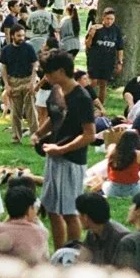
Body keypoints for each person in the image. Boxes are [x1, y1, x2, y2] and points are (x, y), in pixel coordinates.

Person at [40, 51, 96, 248]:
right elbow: (55, 115)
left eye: (48, 72)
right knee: (52, 210)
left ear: (62, 71)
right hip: (53, 155)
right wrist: (38, 133)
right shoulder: (57, 90)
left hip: (71, 160)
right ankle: (59, 254)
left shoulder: (81, 97)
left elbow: (89, 134)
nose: (45, 76)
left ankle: (72, 254)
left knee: (69, 212)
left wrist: (62, 149)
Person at [0, 24, 39, 144]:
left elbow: (35, 66)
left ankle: (35, 137)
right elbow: (4, 69)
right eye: (19, 35)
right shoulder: (6, 50)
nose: (22, 38)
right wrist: (7, 85)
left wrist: (32, 82)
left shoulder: (29, 48)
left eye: (23, 35)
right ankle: (16, 136)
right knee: (15, 112)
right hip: (13, 81)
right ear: (12, 36)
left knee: (31, 110)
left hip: (27, 80)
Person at [74, 191, 128, 265]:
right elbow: (82, 259)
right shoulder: (92, 232)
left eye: (79, 214)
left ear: (85, 217)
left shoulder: (120, 237)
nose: (78, 217)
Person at [84, 8, 124, 105]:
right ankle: (86, 101)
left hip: (108, 61)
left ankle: (100, 106)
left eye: (111, 19)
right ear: (103, 17)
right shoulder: (96, 28)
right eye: (107, 18)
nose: (109, 21)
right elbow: (87, 44)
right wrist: (91, 35)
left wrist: (120, 62)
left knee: (103, 84)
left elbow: (120, 47)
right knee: (92, 82)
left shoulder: (116, 30)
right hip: (95, 60)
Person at [103, 129, 140, 196]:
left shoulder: (113, 152)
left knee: (105, 184)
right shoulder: (139, 155)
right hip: (133, 190)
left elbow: (109, 173)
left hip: (112, 190)